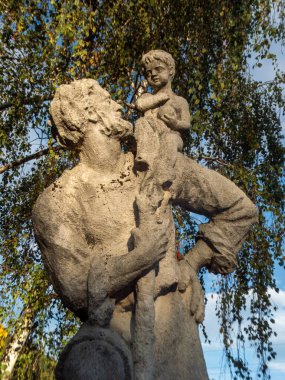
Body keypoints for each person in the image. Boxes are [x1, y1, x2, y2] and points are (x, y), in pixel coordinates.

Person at [135, 49, 191, 188]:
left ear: (170, 70)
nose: (153, 74)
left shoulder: (179, 101)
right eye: (148, 73)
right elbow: (140, 105)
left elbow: (187, 125)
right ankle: (143, 158)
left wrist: (175, 123)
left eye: (158, 69)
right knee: (141, 122)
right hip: (152, 138)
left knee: (170, 140)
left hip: (171, 137)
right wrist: (160, 97)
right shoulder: (148, 97)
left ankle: (165, 172)